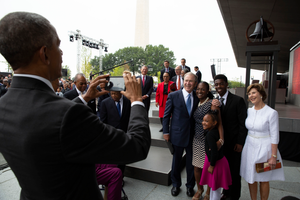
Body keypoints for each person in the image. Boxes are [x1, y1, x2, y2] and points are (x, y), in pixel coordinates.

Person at [0, 12, 151, 200]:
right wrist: (137, 100)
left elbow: (48, 120)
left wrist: (84, 98)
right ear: (44, 53)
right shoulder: (69, 114)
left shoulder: (3, 105)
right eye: (58, 45)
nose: (62, 53)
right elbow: (137, 146)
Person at [240, 83, 285, 200]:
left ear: (261, 94)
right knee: (251, 177)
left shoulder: (271, 113)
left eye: (254, 93)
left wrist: (273, 156)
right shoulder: (249, 111)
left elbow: (275, 136)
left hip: (264, 149)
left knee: (263, 178)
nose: (251, 96)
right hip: (249, 147)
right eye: (249, 94)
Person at [163, 72, 199, 197]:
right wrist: (166, 132)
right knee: (176, 162)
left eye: (191, 81)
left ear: (195, 83)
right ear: (183, 81)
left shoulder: (198, 96)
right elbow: (166, 115)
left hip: (193, 136)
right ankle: (175, 185)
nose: (188, 83)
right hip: (177, 135)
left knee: (191, 163)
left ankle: (190, 186)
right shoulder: (174, 95)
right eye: (186, 80)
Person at [213, 74, 247, 200]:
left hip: (234, 144)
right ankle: (226, 193)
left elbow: (242, 123)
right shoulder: (215, 101)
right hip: (221, 144)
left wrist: (240, 142)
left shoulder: (238, 100)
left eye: (221, 84)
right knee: (224, 171)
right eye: (216, 84)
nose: (219, 86)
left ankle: (234, 196)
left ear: (227, 84)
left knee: (234, 171)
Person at [192, 82, 224, 200]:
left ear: (207, 91)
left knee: (209, 168)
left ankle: (208, 193)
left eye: (203, 89)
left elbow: (219, 123)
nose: (200, 91)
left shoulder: (212, 103)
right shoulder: (195, 101)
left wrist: (221, 140)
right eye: (198, 89)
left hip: (208, 141)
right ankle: (200, 189)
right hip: (196, 139)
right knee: (196, 167)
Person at [200, 111, 232, 200]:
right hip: (219, 161)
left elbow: (214, 151)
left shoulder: (210, 135)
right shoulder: (214, 132)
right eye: (203, 120)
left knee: (215, 187)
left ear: (214, 123)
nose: (203, 123)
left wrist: (212, 165)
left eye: (206, 121)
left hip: (216, 163)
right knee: (215, 187)